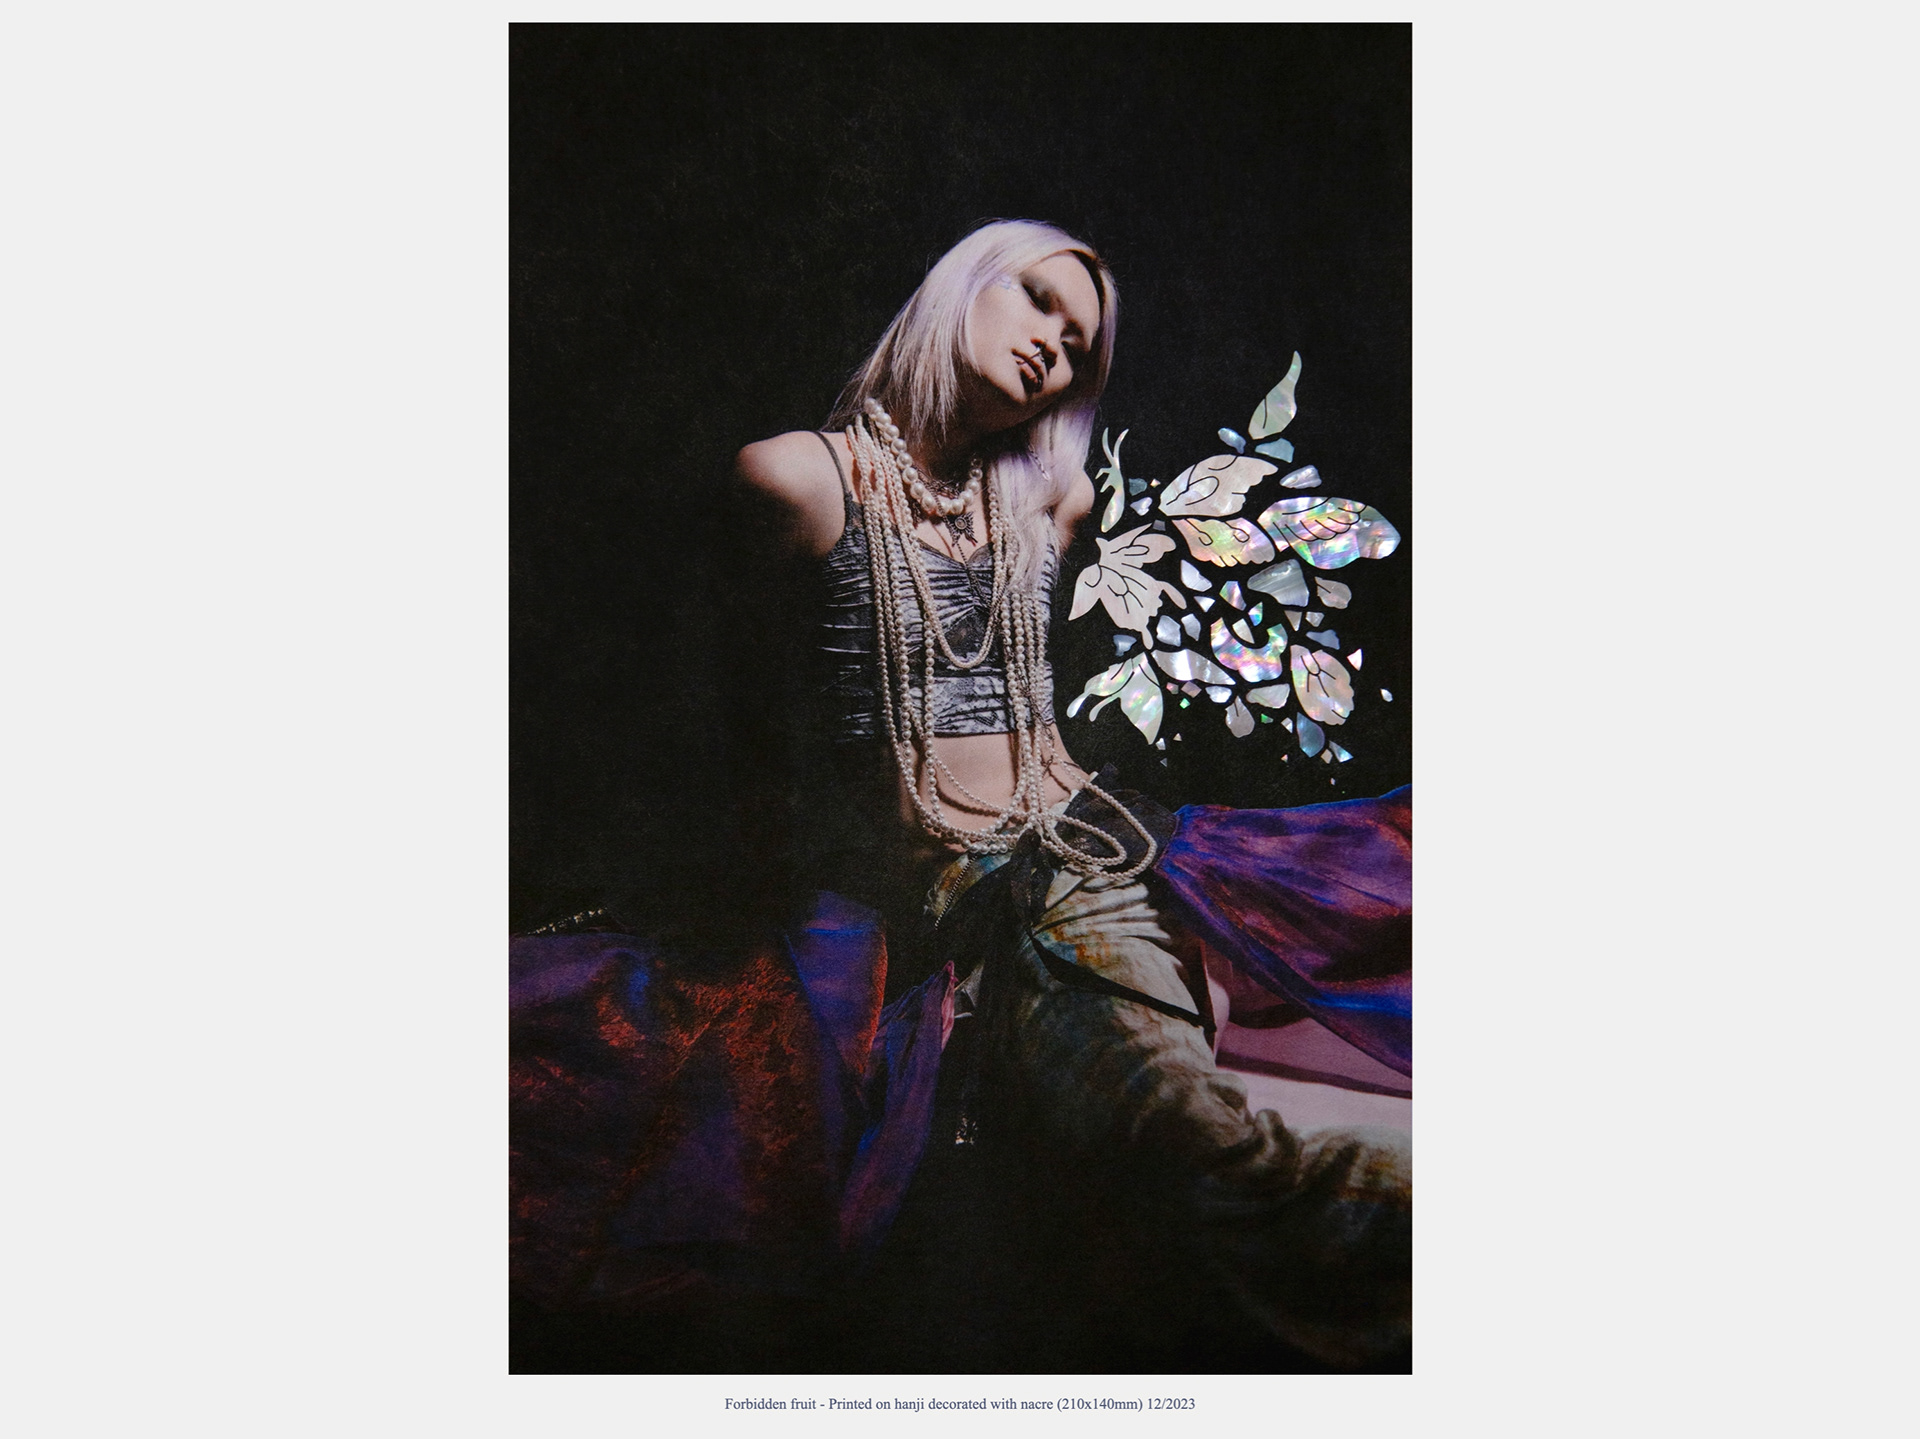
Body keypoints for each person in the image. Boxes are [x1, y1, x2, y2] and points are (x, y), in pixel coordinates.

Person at [723, 219, 1412, 1369]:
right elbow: (737, 741)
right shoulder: (792, 478)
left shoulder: (1049, 499)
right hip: (905, 899)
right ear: (960, 287)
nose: (1055, 342)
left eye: (1080, 343)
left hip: (1069, 868)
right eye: (1037, 299)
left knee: (1200, 1156)